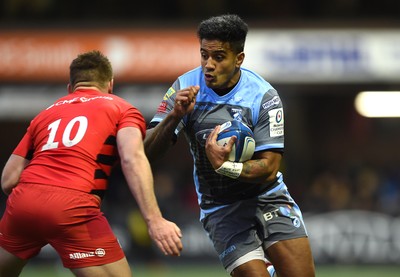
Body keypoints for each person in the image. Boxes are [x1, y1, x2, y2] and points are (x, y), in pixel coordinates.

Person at [144, 14, 315, 277]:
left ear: (239, 59)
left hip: (268, 197)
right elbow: (145, 151)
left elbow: (269, 168)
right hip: (220, 208)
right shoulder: (185, 87)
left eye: (219, 57)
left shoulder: (264, 96)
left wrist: (226, 166)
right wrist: (174, 116)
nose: (208, 65)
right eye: (204, 55)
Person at [0, 50, 183, 277]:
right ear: (110, 84)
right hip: (73, 206)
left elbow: (8, 180)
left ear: (70, 87)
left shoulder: (44, 115)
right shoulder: (121, 108)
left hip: (23, 205)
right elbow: (131, 157)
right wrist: (155, 220)